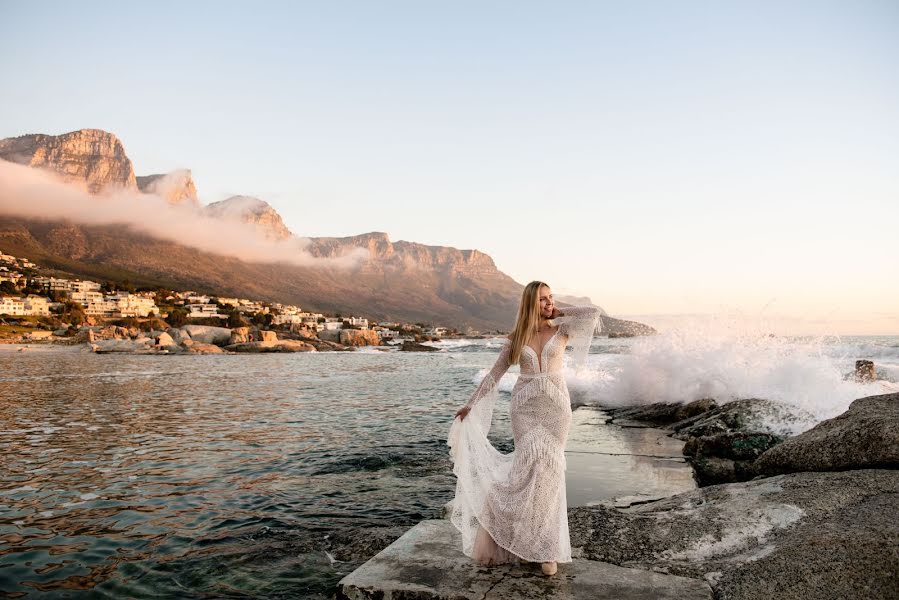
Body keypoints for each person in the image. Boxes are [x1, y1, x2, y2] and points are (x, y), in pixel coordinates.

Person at [447, 281, 601, 577]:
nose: (548, 303)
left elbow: (592, 313)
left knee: (551, 474)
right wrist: (470, 405)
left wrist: (560, 310)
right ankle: (514, 541)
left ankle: (546, 548)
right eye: (543, 299)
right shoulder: (517, 337)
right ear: (530, 303)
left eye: (550, 297)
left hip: (556, 408)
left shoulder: (562, 329)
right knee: (524, 472)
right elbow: (494, 375)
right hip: (525, 409)